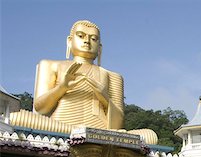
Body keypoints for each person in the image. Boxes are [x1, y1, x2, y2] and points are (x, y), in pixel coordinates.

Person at [9, 20, 157, 144]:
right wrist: (61, 88)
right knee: (15, 117)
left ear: (100, 48)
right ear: (69, 40)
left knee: (150, 136)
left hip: (102, 130)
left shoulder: (113, 76)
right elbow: (40, 108)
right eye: (81, 36)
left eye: (93, 39)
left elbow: (118, 124)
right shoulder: (51, 65)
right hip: (61, 126)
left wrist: (104, 97)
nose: (87, 41)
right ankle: (85, 134)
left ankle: (88, 134)